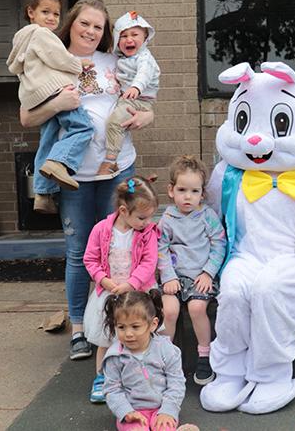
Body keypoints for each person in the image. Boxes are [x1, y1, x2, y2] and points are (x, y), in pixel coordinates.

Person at [19, 0, 155, 362]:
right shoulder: (52, 59)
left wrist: (146, 117)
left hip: (117, 170)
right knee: (80, 253)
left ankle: (116, 324)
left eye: (98, 26)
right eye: (85, 24)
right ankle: (80, 329)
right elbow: (26, 117)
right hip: (73, 177)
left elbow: (144, 101)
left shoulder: (115, 61)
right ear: (71, 24)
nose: (91, 31)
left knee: (121, 248)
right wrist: (57, 104)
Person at [7, 0, 94, 214]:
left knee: (48, 140)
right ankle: (59, 163)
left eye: (56, 14)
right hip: (54, 91)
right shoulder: (41, 34)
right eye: (45, 12)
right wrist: (79, 64)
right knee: (83, 128)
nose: (51, 18)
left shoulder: (22, 39)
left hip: (37, 98)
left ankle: (42, 194)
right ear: (31, 12)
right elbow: (59, 58)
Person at [83, 176, 160, 403]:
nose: (147, 222)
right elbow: (90, 259)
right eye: (142, 217)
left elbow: (149, 262)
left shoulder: (147, 233)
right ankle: (102, 377)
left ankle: (142, 377)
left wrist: (132, 284)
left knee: (140, 335)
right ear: (124, 211)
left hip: (137, 294)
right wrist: (103, 280)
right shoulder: (102, 230)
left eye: (150, 217)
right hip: (109, 293)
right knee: (106, 338)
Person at [157, 155, 226, 385]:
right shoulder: (167, 219)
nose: (188, 197)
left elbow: (219, 243)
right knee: (169, 311)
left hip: (200, 277)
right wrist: (168, 277)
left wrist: (208, 272)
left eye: (194, 191)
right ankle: (165, 360)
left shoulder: (207, 216)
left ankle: (204, 356)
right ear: (171, 190)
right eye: (182, 190)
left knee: (197, 308)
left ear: (203, 194)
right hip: (175, 279)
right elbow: (160, 248)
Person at [101, 290, 199, 431]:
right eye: (121, 327)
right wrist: (126, 412)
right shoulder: (115, 356)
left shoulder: (166, 349)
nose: (128, 334)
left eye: (135, 327)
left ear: (153, 324)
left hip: (162, 408)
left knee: (164, 427)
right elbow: (112, 389)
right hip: (133, 411)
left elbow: (176, 383)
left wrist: (168, 410)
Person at [97, 11, 161, 179]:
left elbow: (144, 74)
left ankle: (111, 161)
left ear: (145, 37)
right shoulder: (120, 57)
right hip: (129, 98)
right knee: (117, 123)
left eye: (134, 34)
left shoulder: (144, 58)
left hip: (138, 100)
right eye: (123, 36)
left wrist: (136, 87)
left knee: (115, 122)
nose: (129, 39)